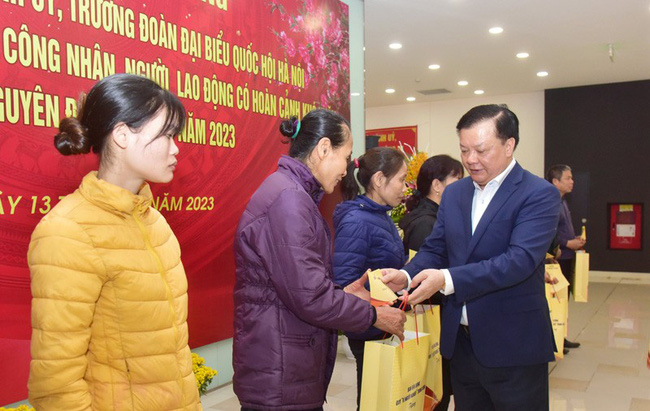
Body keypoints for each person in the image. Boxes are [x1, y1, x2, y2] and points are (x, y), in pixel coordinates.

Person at [27, 74, 201, 409]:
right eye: (165, 135)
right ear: (122, 135)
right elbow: (55, 382)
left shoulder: (156, 222)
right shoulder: (67, 232)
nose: (176, 148)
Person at [382, 104, 561, 410]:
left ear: (509, 145)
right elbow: (437, 248)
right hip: (463, 345)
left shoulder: (538, 194)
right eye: (464, 150)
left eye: (480, 150)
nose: (470, 160)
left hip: (514, 347)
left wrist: (447, 279)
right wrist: (408, 276)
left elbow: (517, 261)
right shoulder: (456, 193)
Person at [233, 109, 406, 411]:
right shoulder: (289, 200)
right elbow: (310, 297)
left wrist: (343, 294)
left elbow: (297, 286)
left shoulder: (294, 194)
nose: (347, 170)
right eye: (346, 156)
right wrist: (375, 316)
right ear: (324, 148)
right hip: (280, 371)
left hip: (286, 361)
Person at [332, 147, 408, 409]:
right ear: (378, 180)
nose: (405, 187)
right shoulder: (357, 220)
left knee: (383, 398)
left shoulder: (379, 214)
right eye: (401, 179)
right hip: (369, 326)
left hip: (383, 322)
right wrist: (376, 315)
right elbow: (346, 282)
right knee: (373, 400)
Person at [398, 153, 463, 410]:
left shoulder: (433, 216)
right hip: (431, 315)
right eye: (456, 180)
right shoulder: (427, 223)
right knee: (436, 392)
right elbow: (426, 274)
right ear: (438, 185)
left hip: (435, 314)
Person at [546, 164, 585, 350]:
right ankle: (554, 339)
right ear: (555, 181)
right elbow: (550, 230)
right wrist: (567, 243)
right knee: (556, 299)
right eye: (568, 178)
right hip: (557, 259)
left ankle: (562, 336)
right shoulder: (550, 202)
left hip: (568, 256)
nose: (572, 182)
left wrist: (573, 239)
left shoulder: (562, 200)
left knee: (564, 298)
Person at [400, 154, 464, 253]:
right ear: (437, 185)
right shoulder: (425, 224)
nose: (462, 186)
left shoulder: (438, 215)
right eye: (458, 180)